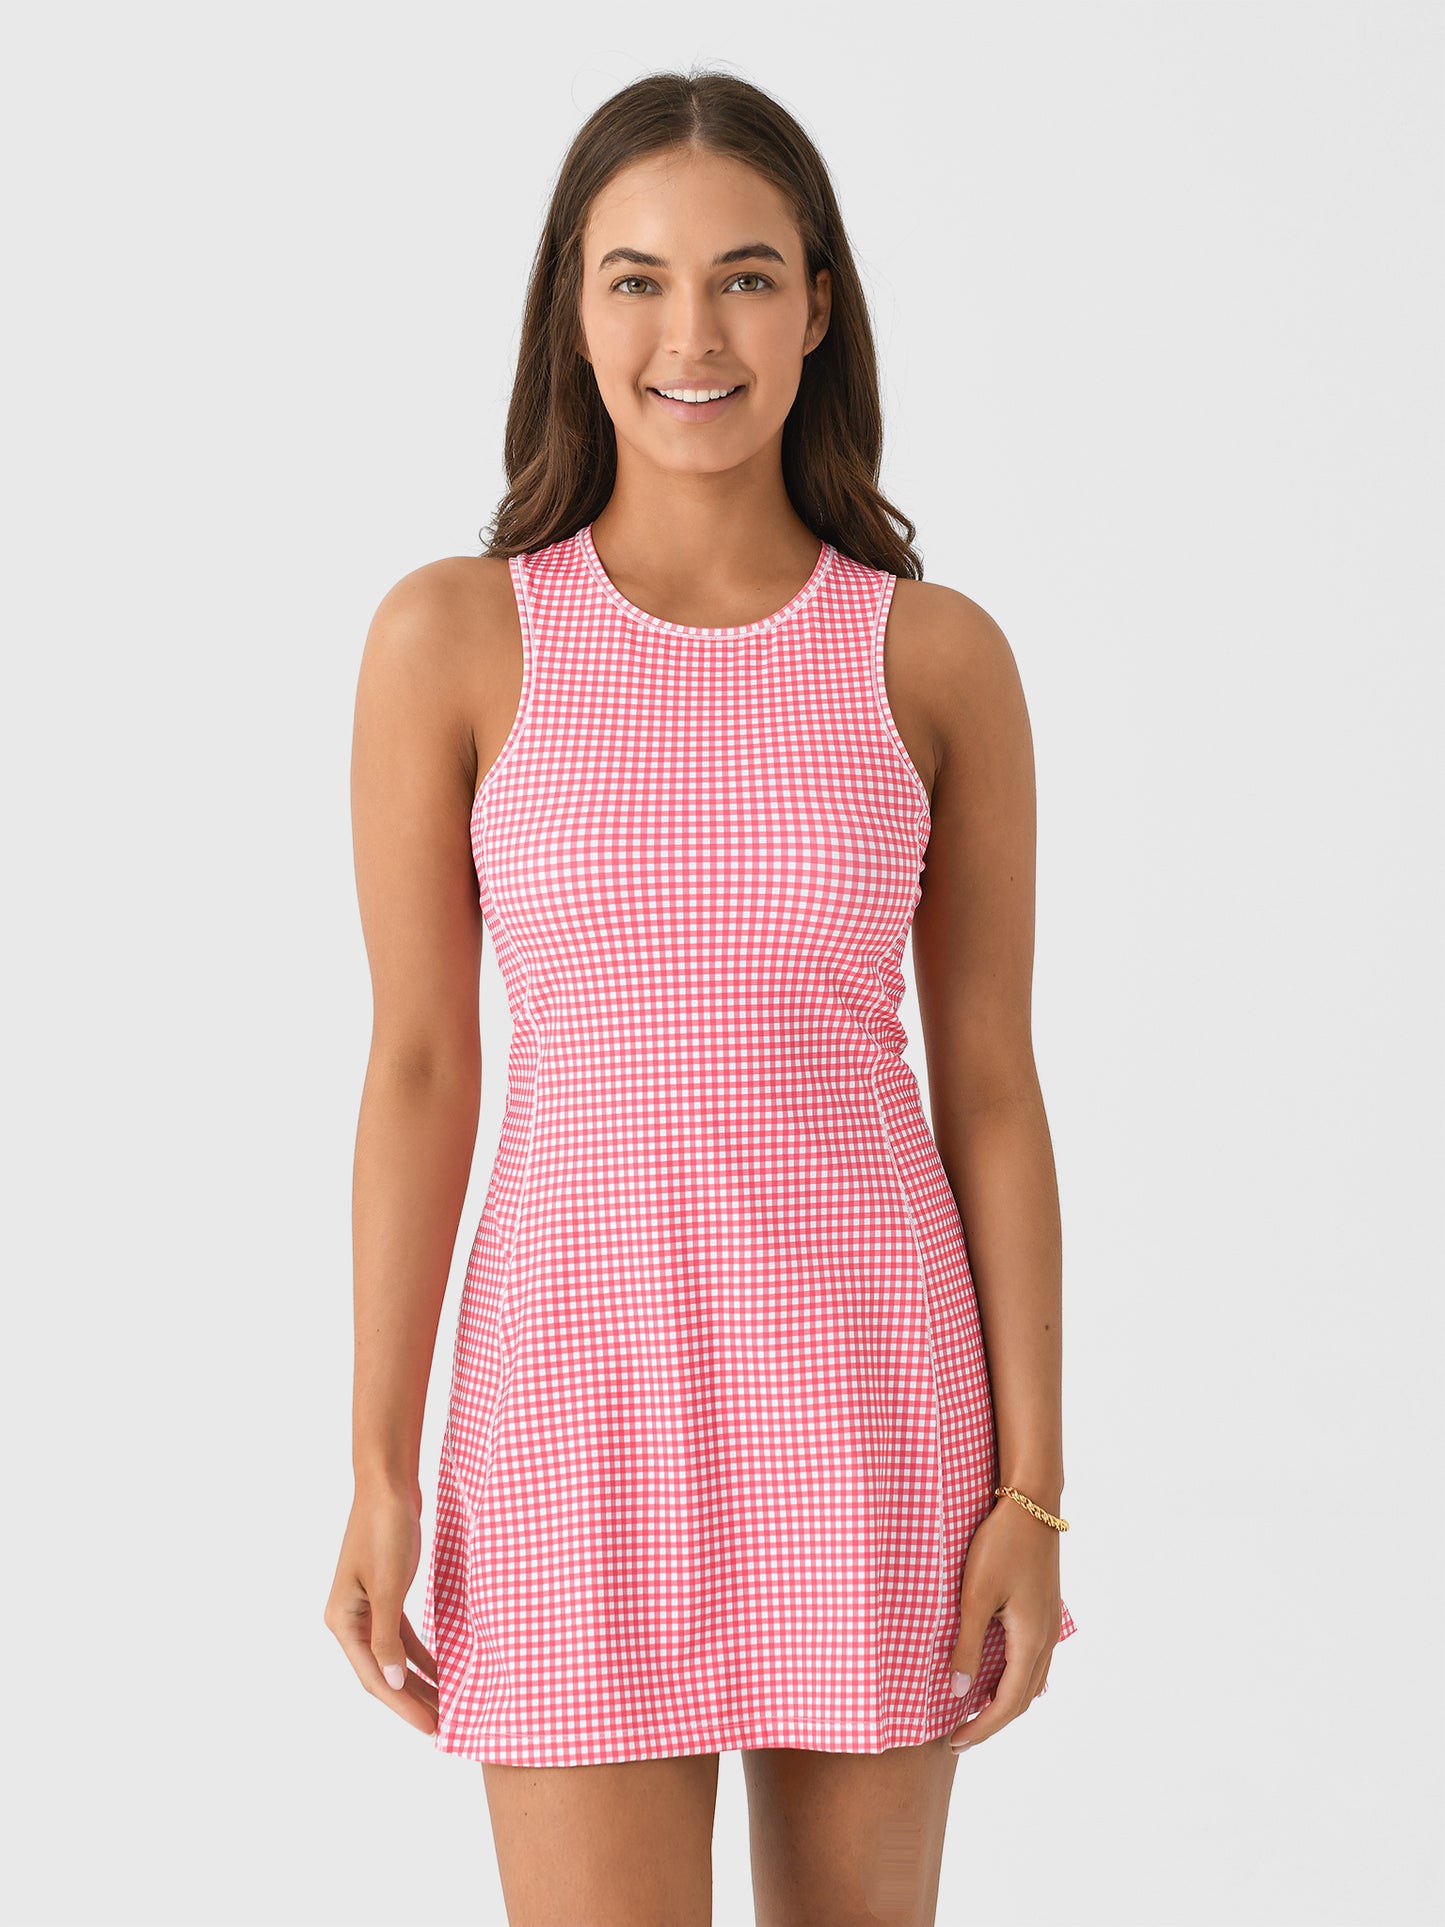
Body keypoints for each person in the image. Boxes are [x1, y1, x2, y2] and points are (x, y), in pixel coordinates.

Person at [325, 67, 1079, 1927]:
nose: (694, 335)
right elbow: (419, 1068)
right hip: (570, 1411)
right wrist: (378, 1466)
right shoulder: (456, 638)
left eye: (744, 277)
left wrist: (1031, 1492)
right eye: (637, 279)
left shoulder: (932, 659)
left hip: (871, 1406)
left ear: (817, 305)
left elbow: (991, 1088)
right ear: (570, 314)